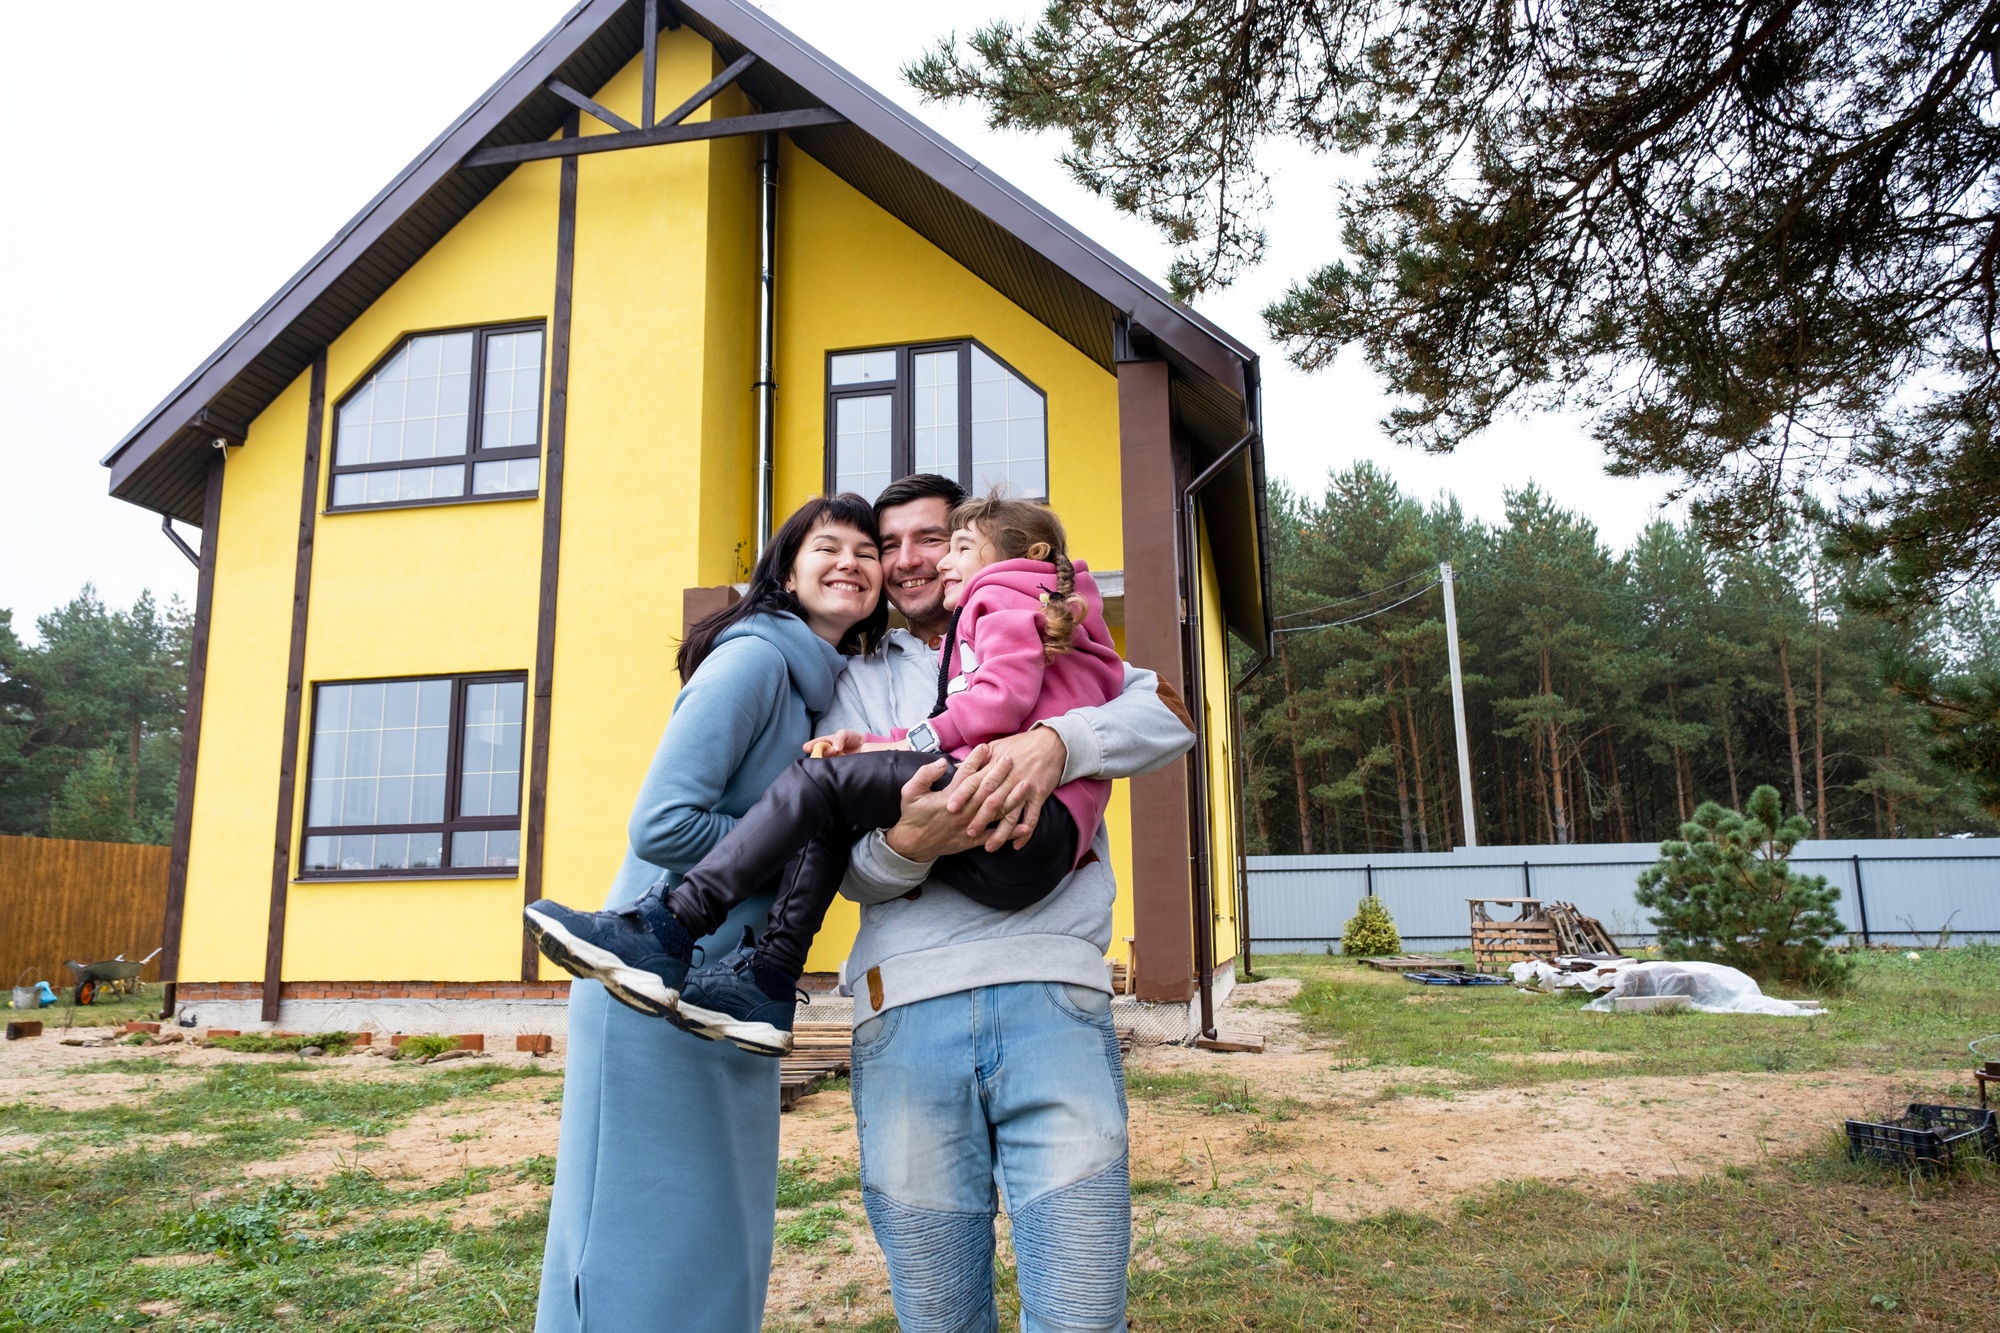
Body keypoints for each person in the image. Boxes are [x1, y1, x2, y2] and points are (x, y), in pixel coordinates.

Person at [524, 493, 1125, 1056]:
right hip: (1008, 843)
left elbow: (997, 709)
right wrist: (870, 749)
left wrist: (1056, 743)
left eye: (950, 543)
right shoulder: (854, 662)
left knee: (815, 786)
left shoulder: (1008, 601)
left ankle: (672, 926)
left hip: (1027, 831)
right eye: (885, 545)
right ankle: (768, 980)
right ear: (787, 572)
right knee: (828, 787)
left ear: (1019, 551)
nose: (929, 562)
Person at [819, 474, 1195, 1333]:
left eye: (934, 537)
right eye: (892, 545)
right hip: (905, 1012)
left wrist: (1057, 743)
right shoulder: (860, 681)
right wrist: (907, 847)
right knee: (939, 1320)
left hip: (1050, 999)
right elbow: (850, 872)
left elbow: (1170, 714)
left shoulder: (1054, 628)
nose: (911, 559)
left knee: (1081, 1315)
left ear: (970, 548)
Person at [532, 495, 885, 1333]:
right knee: (636, 1236)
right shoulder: (755, 662)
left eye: (866, 552)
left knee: (719, 1231)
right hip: (651, 981)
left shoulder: (828, 691)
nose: (851, 562)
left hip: (734, 989)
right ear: (786, 571)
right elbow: (661, 821)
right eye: (826, 547)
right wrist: (791, 843)